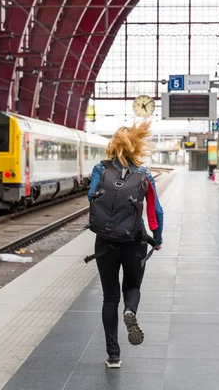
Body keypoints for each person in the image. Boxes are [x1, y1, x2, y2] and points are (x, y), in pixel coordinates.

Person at [87, 121, 164, 369]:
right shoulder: (145, 173)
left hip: (105, 241)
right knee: (131, 285)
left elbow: (91, 197)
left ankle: (113, 356)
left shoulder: (100, 168)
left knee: (109, 298)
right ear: (137, 146)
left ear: (113, 146)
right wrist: (157, 237)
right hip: (134, 240)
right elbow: (156, 211)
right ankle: (130, 310)